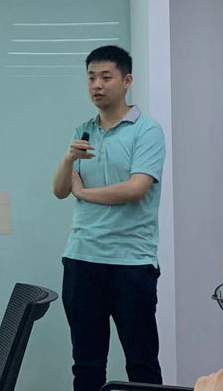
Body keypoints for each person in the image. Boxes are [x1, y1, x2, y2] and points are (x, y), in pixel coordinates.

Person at [52, 45, 166, 391]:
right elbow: (60, 190)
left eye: (105, 77)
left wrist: (85, 193)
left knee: (142, 364)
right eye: (91, 78)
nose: (97, 85)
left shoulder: (146, 130)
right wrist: (67, 159)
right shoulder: (83, 130)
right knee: (86, 365)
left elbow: (136, 188)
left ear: (127, 81)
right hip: (82, 258)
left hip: (131, 263)